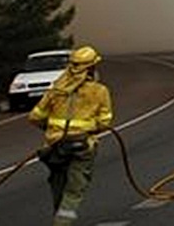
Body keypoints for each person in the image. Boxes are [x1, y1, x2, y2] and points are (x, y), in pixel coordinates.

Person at [28, 45, 113, 226]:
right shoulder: (99, 91)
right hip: (82, 146)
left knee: (58, 182)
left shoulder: (56, 90)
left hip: (55, 146)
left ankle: (60, 217)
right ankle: (62, 222)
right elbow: (105, 122)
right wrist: (89, 128)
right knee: (75, 188)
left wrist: (52, 129)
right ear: (91, 68)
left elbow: (35, 117)